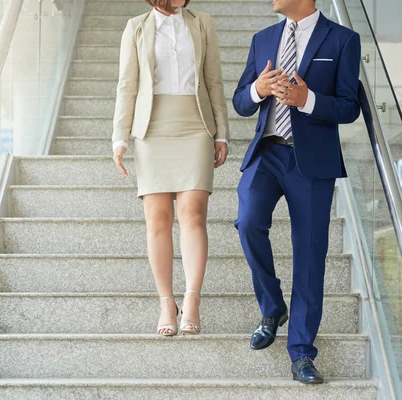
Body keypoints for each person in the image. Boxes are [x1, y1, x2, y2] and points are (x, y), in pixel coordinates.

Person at [232, 0, 360, 384]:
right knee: (247, 222)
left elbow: (350, 107)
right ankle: (273, 308)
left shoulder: (342, 40)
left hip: (312, 162)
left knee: (309, 254)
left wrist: (308, 100)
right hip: (266, 153)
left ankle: (302, 352)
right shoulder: (263, 38)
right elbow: (240, 101)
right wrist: (257, 89)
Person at [112, 0, 229, 336]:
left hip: (195, 125)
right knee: (158, 218)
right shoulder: (136, 27)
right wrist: (120, 138)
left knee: (193, 212)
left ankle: (192, 299)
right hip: (152, 129)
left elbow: (214, 81)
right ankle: (166, 302)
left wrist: (222, 133)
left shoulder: (202, 23)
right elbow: (127, 84)